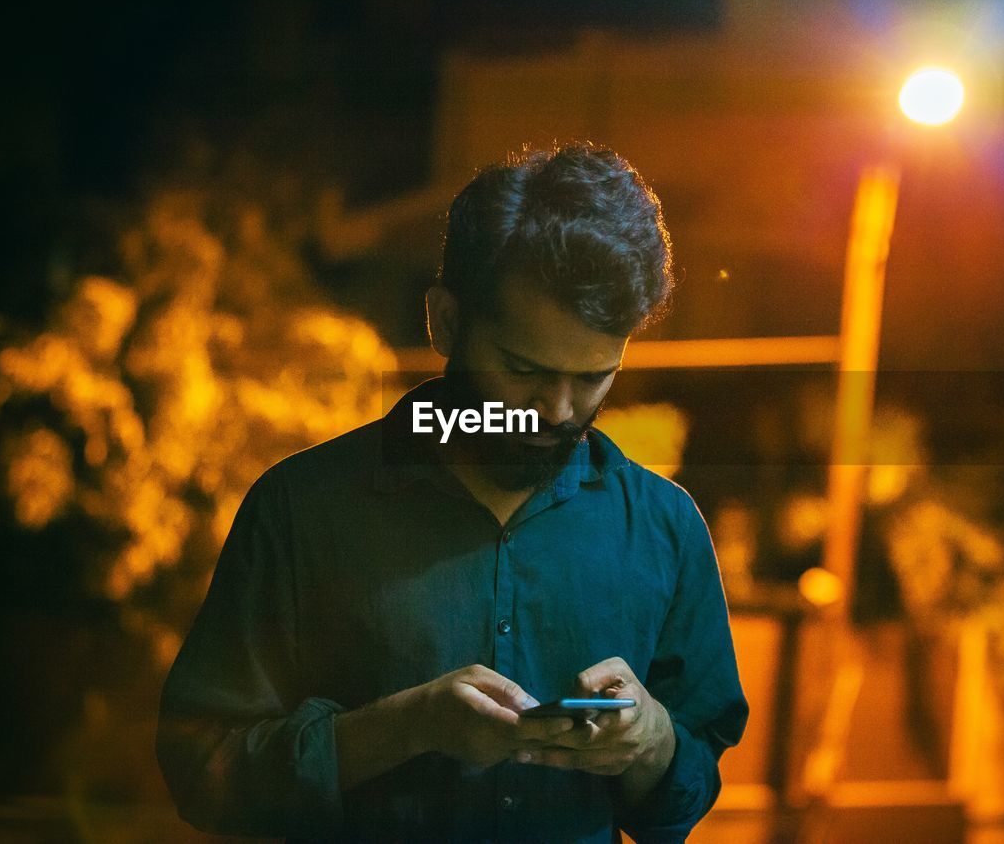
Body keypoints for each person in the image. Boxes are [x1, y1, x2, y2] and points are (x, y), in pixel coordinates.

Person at [155, 142, 749, 843]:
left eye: (593, 376)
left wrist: (650, 742)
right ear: (445, 320)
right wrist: (402, 727)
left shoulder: (663, 529)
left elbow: (690, 780)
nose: (557, 409)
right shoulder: (302, 510)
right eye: (523, 368)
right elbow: (202, 765)